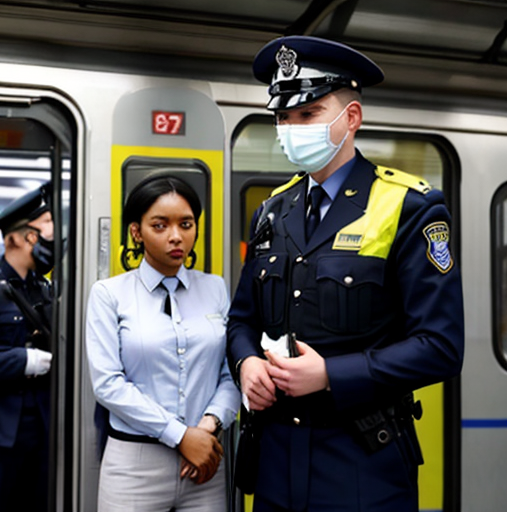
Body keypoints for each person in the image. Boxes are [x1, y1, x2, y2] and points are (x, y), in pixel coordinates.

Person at [227, 35, 465, 512]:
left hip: (363, 463)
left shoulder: (409, 206)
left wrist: (330, 375)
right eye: (283, 117)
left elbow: (440, 348)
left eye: (308, 114)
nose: (290, 129)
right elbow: (241, 322)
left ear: (350, 118)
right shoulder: (273, 212)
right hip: (275, 460)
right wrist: (246, 363)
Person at [86, 174, 241, 512]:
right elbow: (108, 384)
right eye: (160, 225)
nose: (176, 236)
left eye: (186, 224)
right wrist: (181, 436)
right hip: (134, 465)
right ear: (136, 232)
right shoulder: (109, 294)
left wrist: (208, 426)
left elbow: (230, 374)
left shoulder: (215, 288)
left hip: (205, 464)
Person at [0, 182, 54, 512]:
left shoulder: (45, 290)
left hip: (45, 430)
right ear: (16, 238)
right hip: (1, 436)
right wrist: (22, 360)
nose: (50, 236)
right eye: (42, 228)